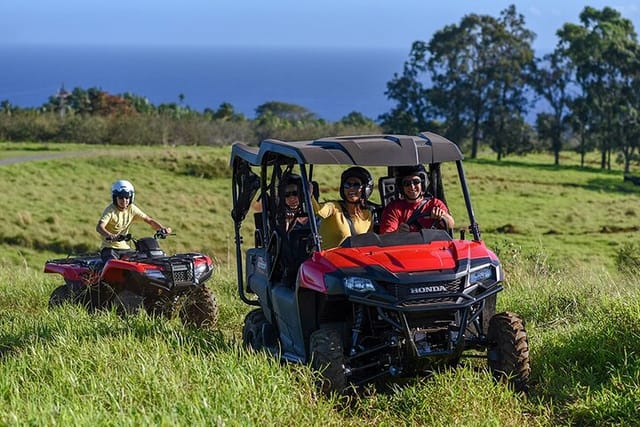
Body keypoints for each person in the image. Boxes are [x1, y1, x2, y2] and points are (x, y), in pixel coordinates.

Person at [96, 179, 172, 262]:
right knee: (112, 265)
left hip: (125, 248)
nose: (124, 200)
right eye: (121, 197)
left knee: (141, 262)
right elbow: (100, 227)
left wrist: (162, 229)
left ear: (131, 197)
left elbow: (149, 220)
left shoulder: (131, 208)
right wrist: (109, 235)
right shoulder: (110, 210)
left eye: (127, 197)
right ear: (115, 197)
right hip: (109, 249)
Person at [311, 166, 374, 249]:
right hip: (328, 260)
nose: (351, 188)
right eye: (347, 185)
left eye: (356, 185)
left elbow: (369, 243)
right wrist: (310, 194)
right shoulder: (334, 208)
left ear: (365, 189)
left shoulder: (367, 215)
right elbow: (318, 210)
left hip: (354, 259)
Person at [379, 165, 454, 233]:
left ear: (423, 184)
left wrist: (443, 216)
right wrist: (397, 233)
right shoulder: (394, 208)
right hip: (406, 246)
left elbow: (450, 225)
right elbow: (386, 236)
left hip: (432, 247)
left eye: (416, 182)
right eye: (407, 183)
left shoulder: (435, 203)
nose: (412, 186)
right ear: (401, 187)